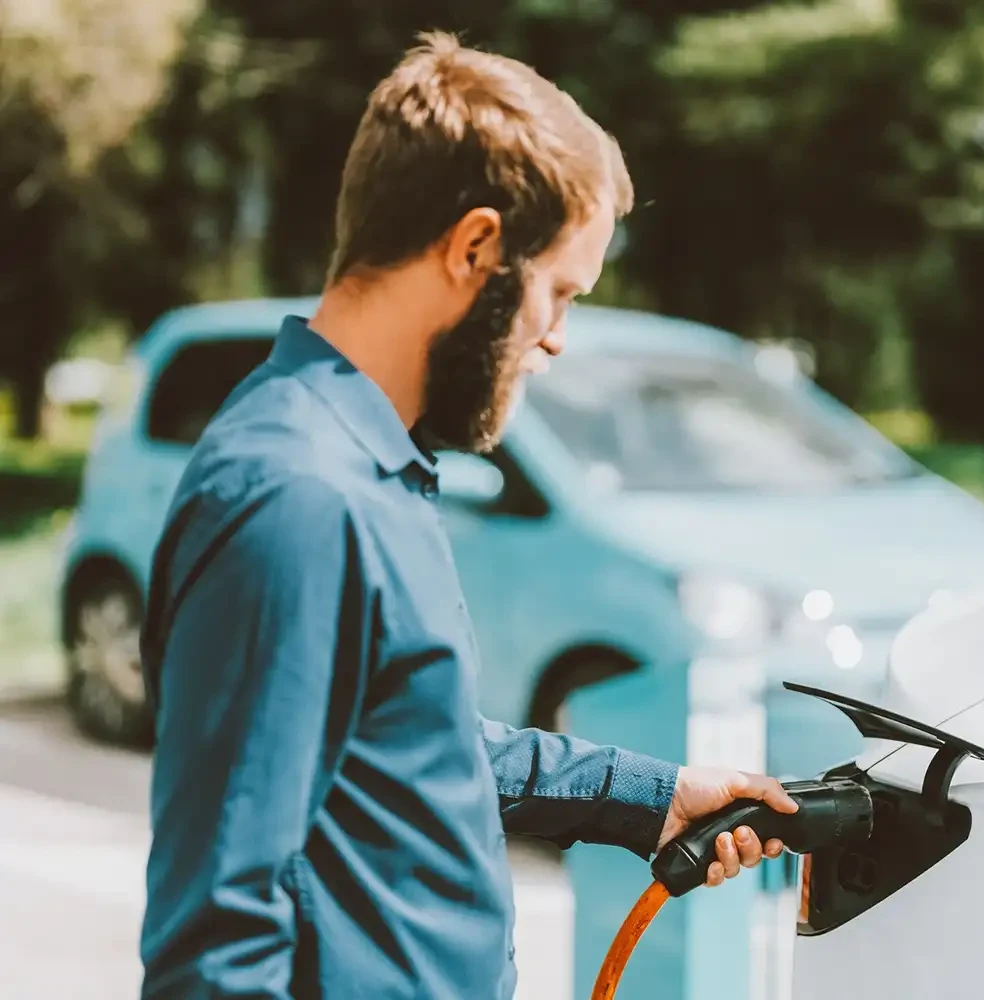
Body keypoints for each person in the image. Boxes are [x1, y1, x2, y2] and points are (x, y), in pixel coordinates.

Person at [138, 31, 797, 1000]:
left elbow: (419, 745)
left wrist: (654, 798)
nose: (557, 339)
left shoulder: (372, 464)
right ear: (476, 246)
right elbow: (217, 948)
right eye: (558, 293)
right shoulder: (296, 498)